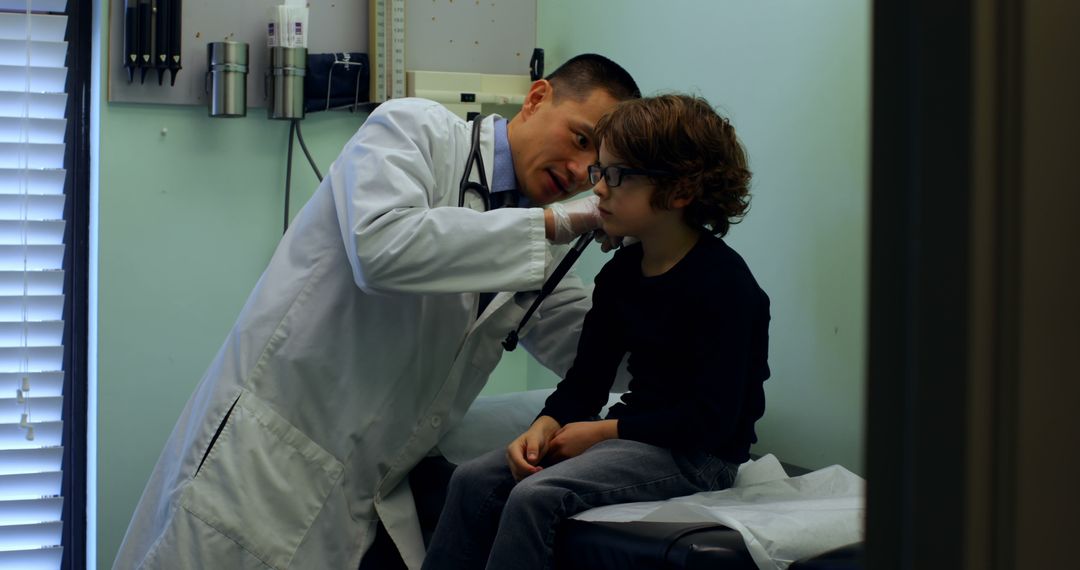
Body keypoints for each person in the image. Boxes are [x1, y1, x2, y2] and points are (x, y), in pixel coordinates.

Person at [112, 54, 640, 570]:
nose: (578, 171)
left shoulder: (538, 250)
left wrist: (672, 258)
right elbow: (382, 248)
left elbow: (605, 358)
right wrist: (557, 223)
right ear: (537, 97)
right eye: (578, 138)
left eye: (596, 166)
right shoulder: (413, 130)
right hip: (260, 466)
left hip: (364, 497)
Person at [421, 94, 771, 570]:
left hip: (699, 456)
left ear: (681, 190)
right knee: (472, 481)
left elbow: (712, 420)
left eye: (618, 176)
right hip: (637, 439)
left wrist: (602, 432)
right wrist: (546, 425)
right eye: (599, 173)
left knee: (535, 495)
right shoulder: (622, 275)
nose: (599, 190)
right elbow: (586, 382)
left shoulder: (725, 286)